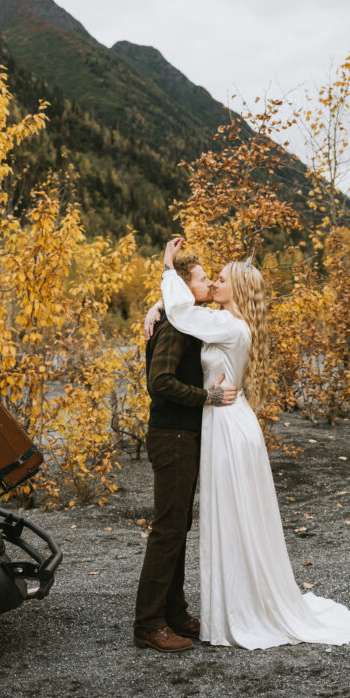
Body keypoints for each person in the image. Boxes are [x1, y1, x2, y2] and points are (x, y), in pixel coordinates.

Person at [154, 236, 350, 649]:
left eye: (220, 280)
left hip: (227, 424)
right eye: (212, 278)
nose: (215, 284)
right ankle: (235, 604)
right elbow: (183, 316)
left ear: (237, 289)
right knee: (234, 516)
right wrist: (156, 306)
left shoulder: (229, 325)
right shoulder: (225, 322)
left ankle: (241, 609)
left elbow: (183, 312)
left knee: (234, 518)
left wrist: (169, 268)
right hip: (225, 421)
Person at [133, 251, 239, 653]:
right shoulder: (175, 327)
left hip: (183, 436)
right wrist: (207, 396)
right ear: (184, 286)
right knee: (168, 529)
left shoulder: (182, 318)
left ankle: (174, 613)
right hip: (172, 436)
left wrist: (161, 293)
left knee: (178, 527)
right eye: (202, 279)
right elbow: (159, 381)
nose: (209, 284)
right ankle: (148, 623)